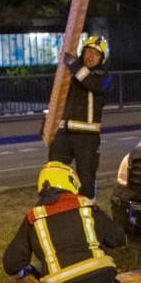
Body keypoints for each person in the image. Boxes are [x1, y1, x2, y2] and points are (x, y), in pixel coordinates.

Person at [3, 161, 133, 283]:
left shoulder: (33, 218)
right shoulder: (85, 206)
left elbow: (11, 263)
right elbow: (117, 239)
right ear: (70, 182)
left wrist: (30, 271)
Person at [48, 35, 111, 197]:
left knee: (86, 180)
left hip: (87, 138)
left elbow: (91, 83)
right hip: (63, 135)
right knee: (55, 173)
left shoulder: (104, 77)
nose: (90, 56)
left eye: (95, 54)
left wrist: (74, 65)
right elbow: (57, 100)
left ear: (101, 59)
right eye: (88, 51)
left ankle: (89, 210)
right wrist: (48, 123)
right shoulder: (74, 74)